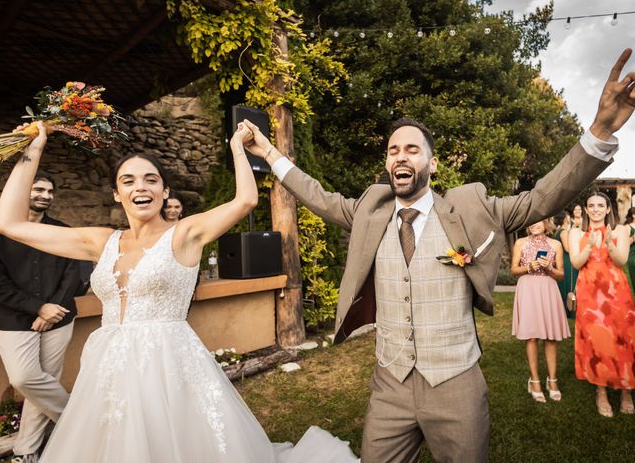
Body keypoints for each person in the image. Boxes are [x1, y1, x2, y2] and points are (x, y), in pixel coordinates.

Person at [242, 48, 635, 462]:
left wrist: (599, 132)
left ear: (431, 162)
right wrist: (269, 153)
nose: (400, 156)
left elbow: (542, 197)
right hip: (389, 386)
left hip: (456, 385)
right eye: (393, 150)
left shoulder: (471, 209)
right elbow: (317, 196)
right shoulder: (369, 212)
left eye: (412, 149)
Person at [0, 122, 358, 462]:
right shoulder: (101, 241)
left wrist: (237, 148)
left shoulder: (184, 234)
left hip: (167, 365)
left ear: (164, 191)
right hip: (108, 364)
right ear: (117, 194)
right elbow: (8, 223)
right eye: (129, 181)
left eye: (151, 180)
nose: (141, 187)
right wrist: (33, 149)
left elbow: (245, 200)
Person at [0, 172, 87, 463]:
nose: (45, 195)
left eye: (49, 191)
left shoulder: (62, 231)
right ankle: (80, 422)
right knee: (24, 378)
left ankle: (26, 451)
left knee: (45, 381)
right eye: (38, 189)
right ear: (22, 192)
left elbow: (73, 274)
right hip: (10, 318)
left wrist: (52, 310)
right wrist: (37, 307)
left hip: (58, 318)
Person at [569, 193, 635, 417]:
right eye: (591, 206)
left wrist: (609, 244)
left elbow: (621, 260)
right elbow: (576, 263)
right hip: (590, 295)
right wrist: (588, 247)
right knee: (597, 341)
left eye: (600, 205)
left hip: (617, 294)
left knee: (623, 339)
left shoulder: (620, 231)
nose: (595, 209)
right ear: (586, 210)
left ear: (608, 209)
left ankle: (626, 390)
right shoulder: (576, 232)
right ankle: (601, 391)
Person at [510, 219, 569, 403]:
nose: (535, 224)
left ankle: (552, 381)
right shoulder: (520, 243)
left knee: (550, 337)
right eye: (532, 221)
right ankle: (534, 381)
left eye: (539, 221)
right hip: (527, 290)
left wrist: (549, 268)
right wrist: (528, 267)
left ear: (546, 223)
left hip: (548, 289)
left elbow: (561, 275)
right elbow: (513, 269)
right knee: (532, 336)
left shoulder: (556, 244)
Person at [553, 211, 578, 318]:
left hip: (562, 258)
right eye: (567, 217)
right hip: (566, 260)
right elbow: (567, 248)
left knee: (564, 283)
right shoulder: (563, 232)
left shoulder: (558, 231)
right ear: (564, 219)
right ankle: (569, 309)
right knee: (570, 283)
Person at [626, 206, 635, 289]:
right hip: (633, 256)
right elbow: (625, 243)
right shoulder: (628, 227)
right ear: (633, 215)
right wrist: (633, 237)